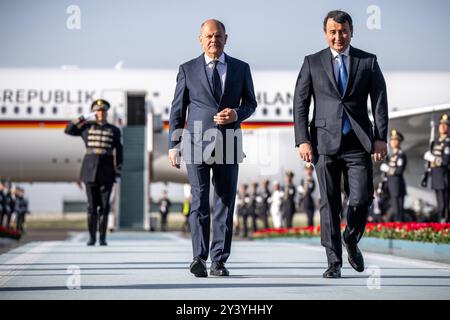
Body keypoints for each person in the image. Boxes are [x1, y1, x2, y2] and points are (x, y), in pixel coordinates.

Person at [293, 10, 388, 278]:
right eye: (333, 32)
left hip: (358, 142)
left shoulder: (367, 62)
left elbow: (379, 101)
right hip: (324, 144)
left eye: (343, 31)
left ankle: (351, 238)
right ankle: (333, 262)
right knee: (330, 204)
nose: (338, 36)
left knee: (361, 199)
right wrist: (303, 140)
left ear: (351, 31)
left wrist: (380, 137)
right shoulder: (312, 62)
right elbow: (300, 104)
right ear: (325, 34)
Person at [167, 19, 257, 277]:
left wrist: (237, 114)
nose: (213, 40)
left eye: (218, 36)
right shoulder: (188, 69)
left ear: (226, 38)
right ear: (200, 39)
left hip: (229, 143)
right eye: (208, 36)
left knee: (224, 203)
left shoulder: (241, 68)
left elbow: (251, 103)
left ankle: (218, 260)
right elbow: (177, 109)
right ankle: (198, 257)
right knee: (199, 201)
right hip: (195, 143)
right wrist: (174, 145)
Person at [64, 99, 123, 246]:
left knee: (104, 207)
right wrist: (83, 117)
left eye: (103, 111)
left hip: (107, 172)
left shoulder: (114, 130)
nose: (101, 113)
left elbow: (119, 151)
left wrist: (118, 170)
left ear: (106, 113)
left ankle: (102, 238)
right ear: (94, 113)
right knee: (91, 207)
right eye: (97, 111)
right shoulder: (86, 128)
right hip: (89, 172)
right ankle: (92, 237)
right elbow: (68, 129)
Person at [423, 114, 450, 222]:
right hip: (436, 177)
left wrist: (433, 159)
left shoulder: (448, 143)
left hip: (443, 177)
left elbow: (445, 161)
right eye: (441, 124)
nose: (442, 126)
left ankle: (446, 224)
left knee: (444, 204)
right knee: (439, 205)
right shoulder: (436, 142)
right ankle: (441, 224)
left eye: (446, 125)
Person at [380, 129, 407, 221]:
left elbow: (399, 171)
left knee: (398, 209)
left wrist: (388, 169)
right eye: (392, 140)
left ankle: (399, 226)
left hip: (397, 185)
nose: (393, 142)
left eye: (395, 140)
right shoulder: (391, 156)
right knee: (394, 208)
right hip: (391, 186)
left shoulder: (400, 155)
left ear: (399, 142)